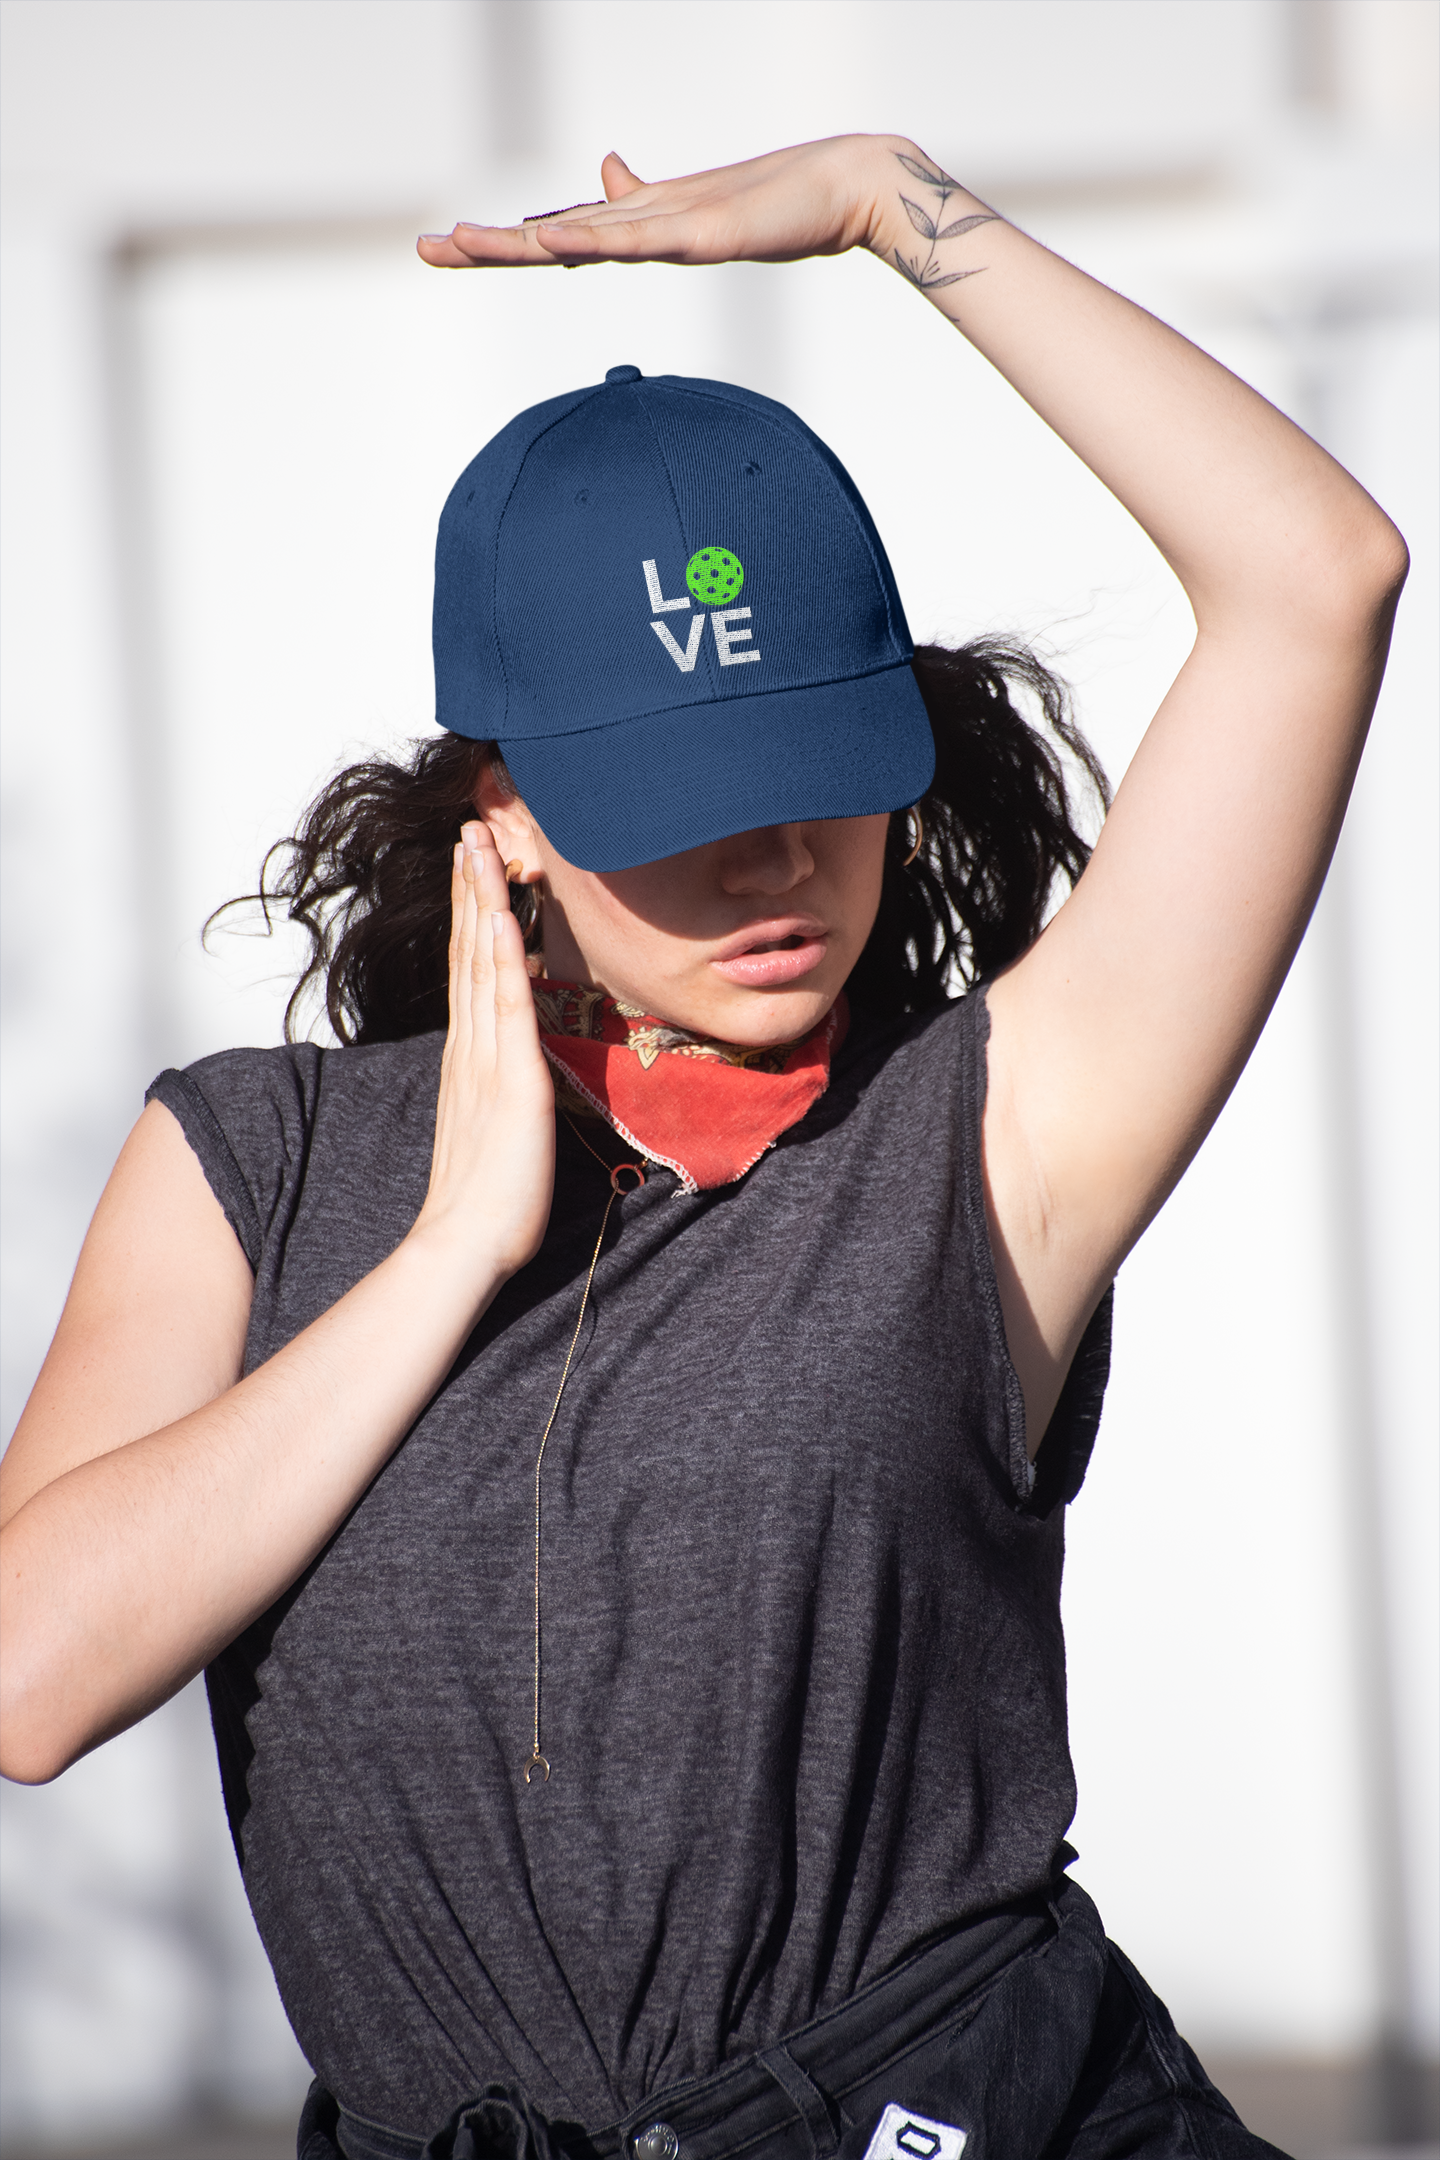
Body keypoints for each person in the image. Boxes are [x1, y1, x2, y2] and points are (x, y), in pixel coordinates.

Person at [0, 134, 1405, 2160]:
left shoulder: (984, 1136)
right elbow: (33, 1680)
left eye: (825, 771)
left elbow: (1317, 579)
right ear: (500, 810)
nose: (775, 863)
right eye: (678, 797)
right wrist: (443, 1258)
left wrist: (884, 206)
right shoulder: (259, 1163)